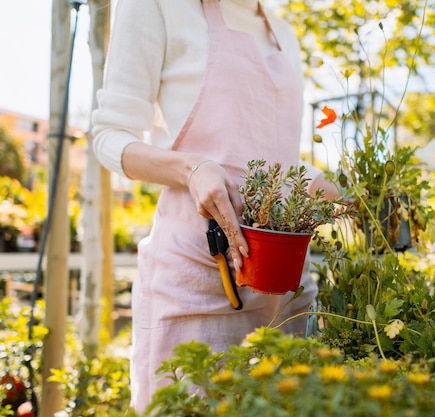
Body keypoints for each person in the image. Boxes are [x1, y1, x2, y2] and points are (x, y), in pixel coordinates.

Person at [91, 0, 338, 412]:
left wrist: (328, 187)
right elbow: (109, 135)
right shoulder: (156, 6)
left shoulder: (283, 31)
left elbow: (271, 155)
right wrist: (192, 169)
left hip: (288, 289)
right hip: (201, 281)